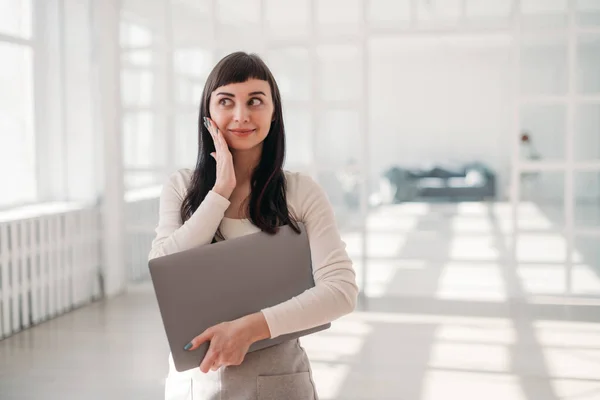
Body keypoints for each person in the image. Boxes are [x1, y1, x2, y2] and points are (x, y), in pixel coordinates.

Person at [148, 52, 359, 400]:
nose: (241, 115)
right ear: (208, 112)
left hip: (278, 381)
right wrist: (220, 192)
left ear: (274, 112)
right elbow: (162, 266)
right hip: (194, 385)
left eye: (256, 101)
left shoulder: (300, 191)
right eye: (226, 101)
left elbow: (341, 290)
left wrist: (250, 328)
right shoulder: (180, 187)